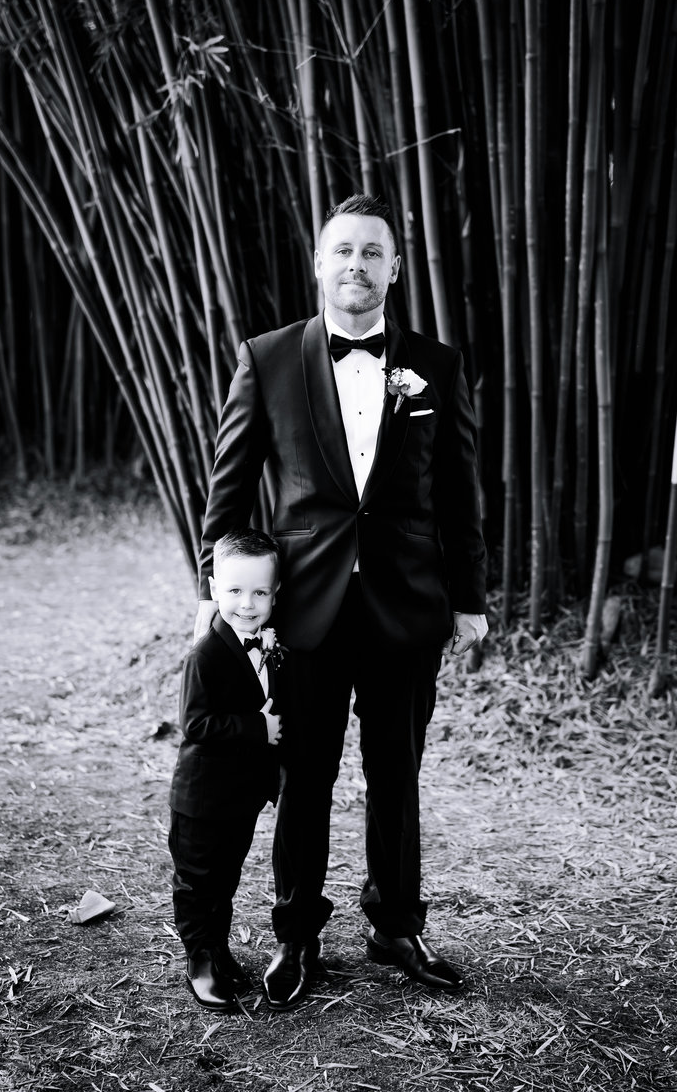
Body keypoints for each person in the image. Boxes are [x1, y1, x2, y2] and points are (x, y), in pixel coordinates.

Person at [193, 192, 488, 1010]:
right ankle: (298, 933)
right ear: (320, 264)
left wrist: (469, 596)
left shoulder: (438, 364)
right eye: (342, 251)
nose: (356, 265)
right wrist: (214, 591)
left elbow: (461, 492)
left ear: (396, 267)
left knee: (398, 773)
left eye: (373, 252)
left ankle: (396, 924)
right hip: (306, 609)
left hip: (405, 606)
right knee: (304, 775)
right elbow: (227, 490)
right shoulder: (269, 357)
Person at [169, 528, 285, 1012]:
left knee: (226, 877)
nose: (247, 603)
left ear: (275, 594)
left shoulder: (271, 643)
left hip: (239, 796)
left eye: (260, 592)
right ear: (214, 589)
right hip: (200, 797)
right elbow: (195, 723)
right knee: (198, 882)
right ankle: (200, 957)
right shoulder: (206, 653)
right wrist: (259, 729)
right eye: (235, 591)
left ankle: (219, 951)